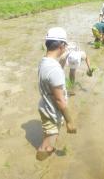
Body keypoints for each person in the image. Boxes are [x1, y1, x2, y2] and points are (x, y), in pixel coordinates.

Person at [37, 27, 77, 161]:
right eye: (65, 45)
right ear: (61, 45)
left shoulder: (44, 61)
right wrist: (70, 122)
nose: (65, 48)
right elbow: (59, 100)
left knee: (48, 134)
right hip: (51, 111)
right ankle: (41, 161)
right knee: (47, 146)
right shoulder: (54, 69)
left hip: (45, 105)